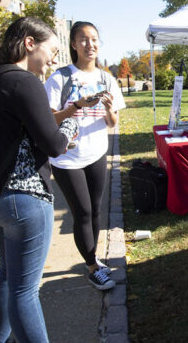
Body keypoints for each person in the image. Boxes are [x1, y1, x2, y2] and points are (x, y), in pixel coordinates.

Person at [0, 17, 92, 343]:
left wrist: (63, 114)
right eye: (51, 51)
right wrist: (75, 121)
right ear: (29, 43)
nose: (53, 60)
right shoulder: (24, 81)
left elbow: (20, 130)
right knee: (25, 287)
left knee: (8, 275)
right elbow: (54, 144)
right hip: (24, 198)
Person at [44, 21, 126, 291]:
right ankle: (92, 268)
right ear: (73, 44)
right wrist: (77, 105)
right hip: (67, 158)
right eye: (83, 39)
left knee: (95, 210)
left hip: (97, 153)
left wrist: (109, 109)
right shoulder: (60, 78)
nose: (90, 44)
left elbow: (112, 123)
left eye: (94, 39)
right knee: (82, 212)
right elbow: (47, 120)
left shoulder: (107, 79)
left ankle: (94, 259)